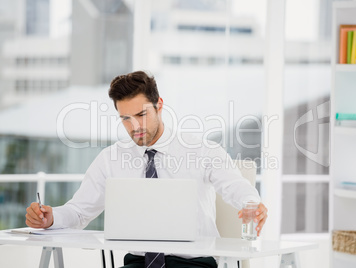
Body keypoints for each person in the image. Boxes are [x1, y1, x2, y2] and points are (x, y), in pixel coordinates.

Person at [25, 71, 268, 268]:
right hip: (137, 264)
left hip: (193, 264)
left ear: (159, 105)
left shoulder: (202, 150)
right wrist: (51, 218)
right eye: (125, 119)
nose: (135, 126)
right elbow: (79, 212)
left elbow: (235, 186)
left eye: (142, 114)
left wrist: (252, 205)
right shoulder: (111, 158)